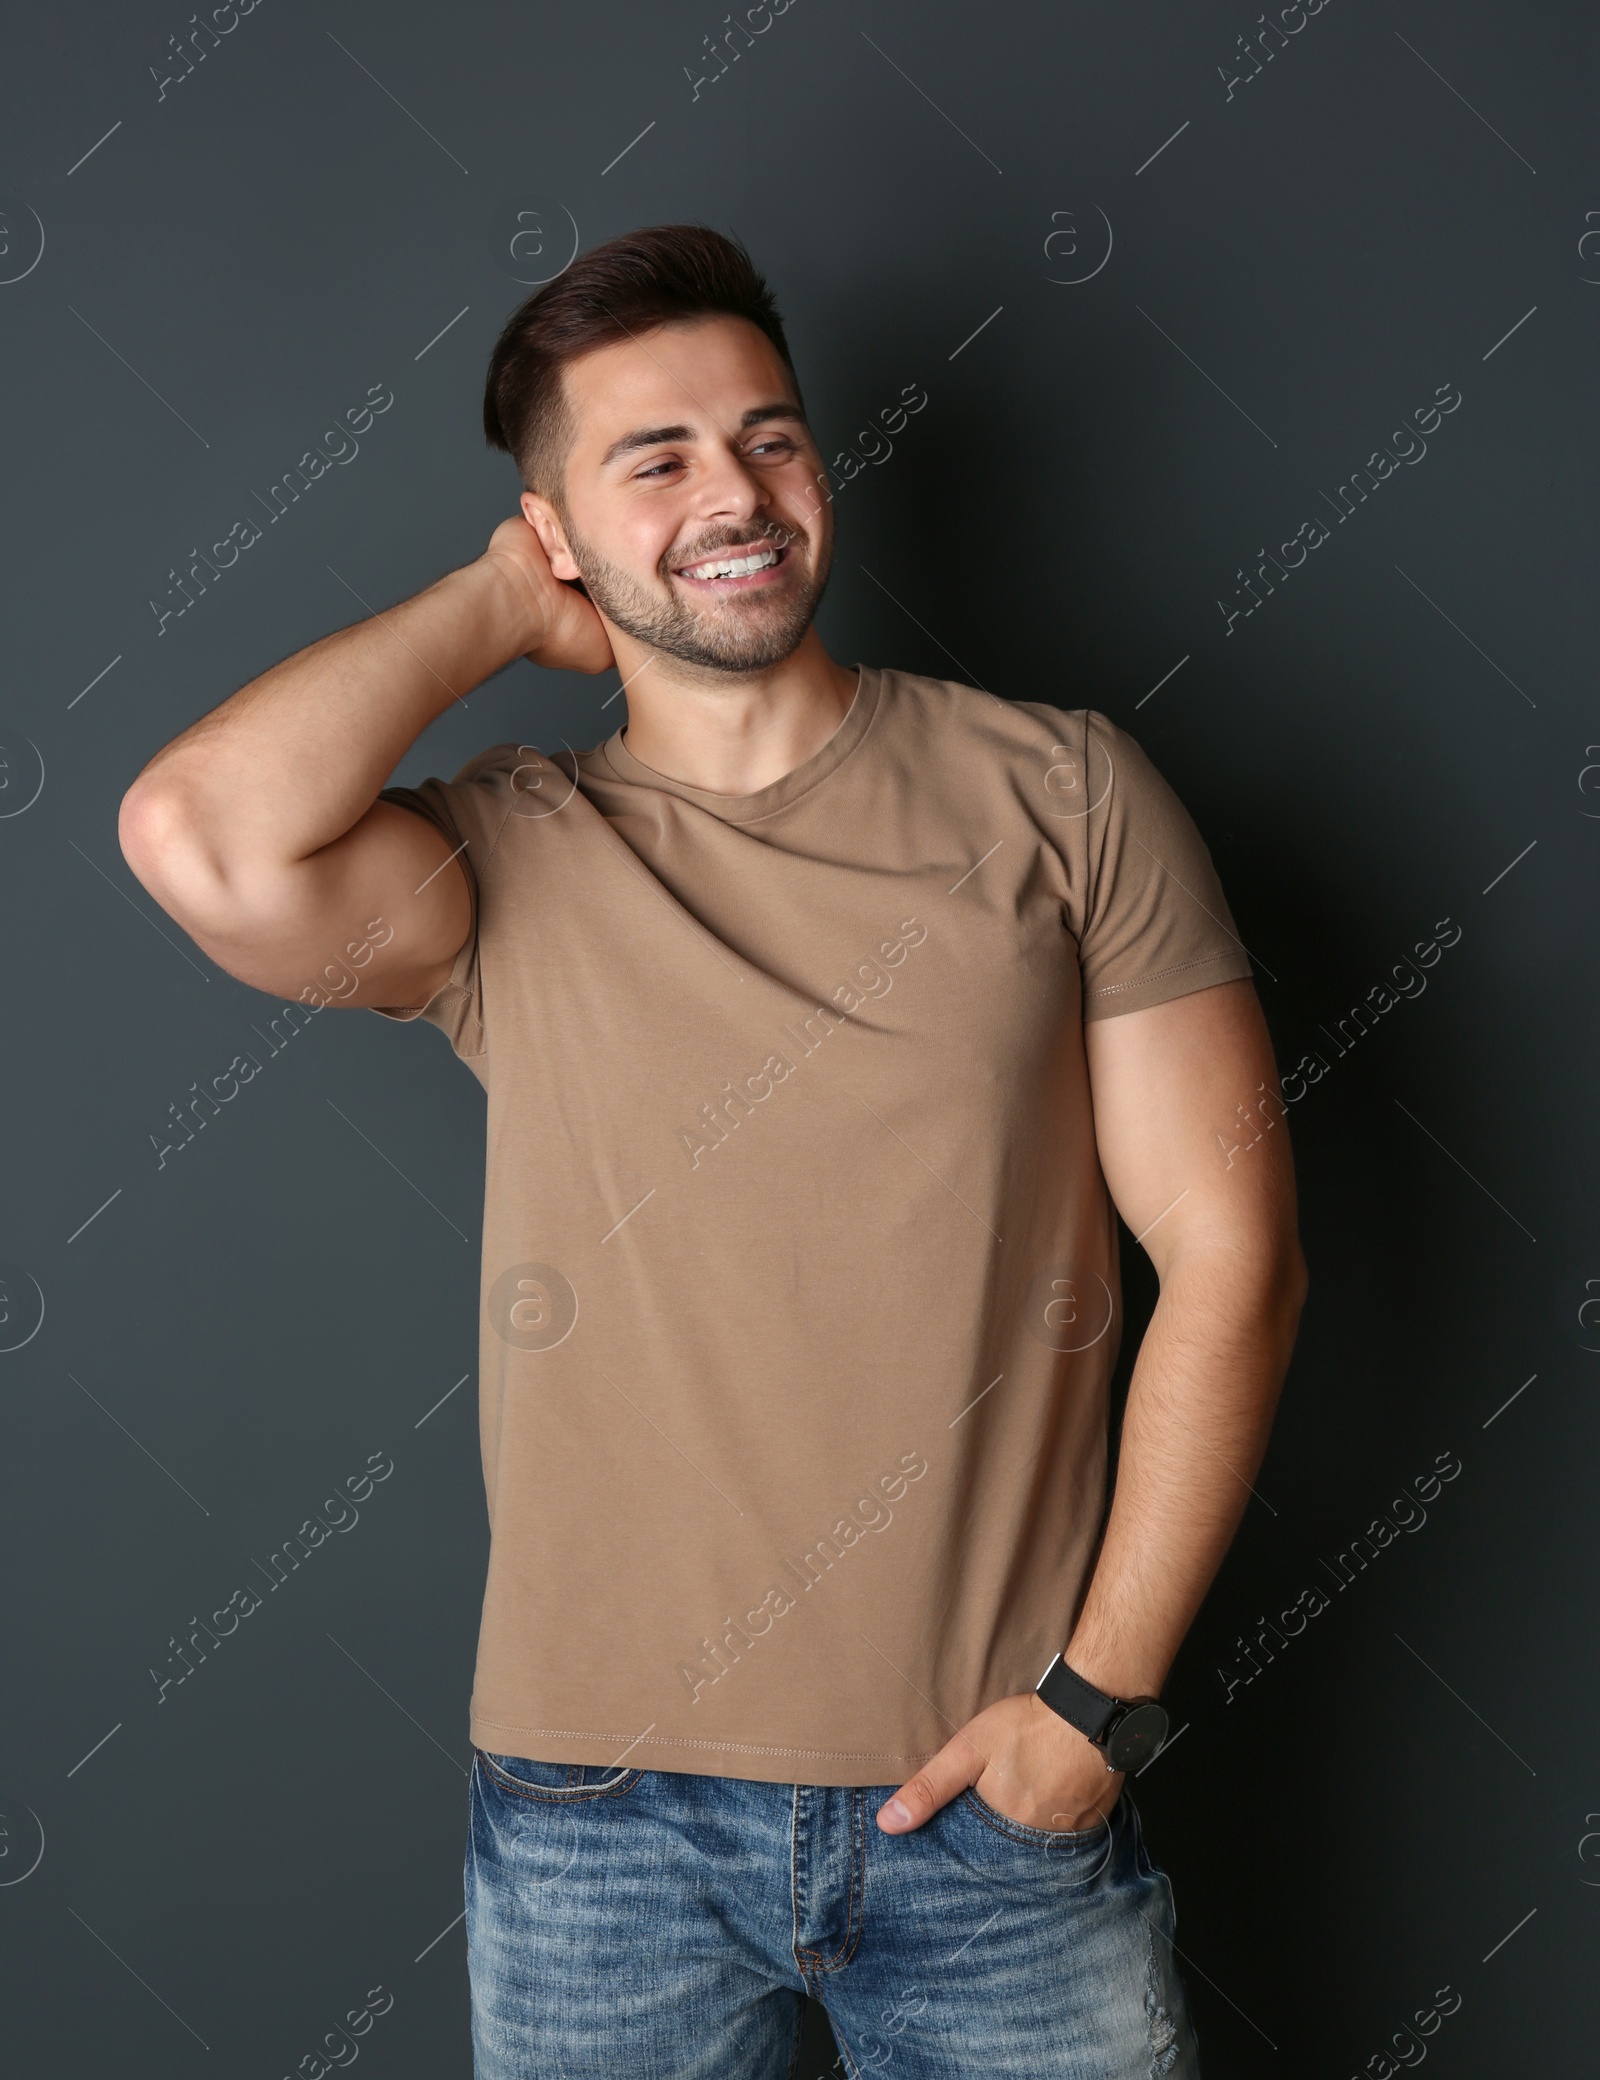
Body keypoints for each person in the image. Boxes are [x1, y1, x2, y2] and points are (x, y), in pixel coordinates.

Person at [119, 224, 1307, 2078]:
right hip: (601, 1839)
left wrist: (1102, 1705)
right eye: (652, 459)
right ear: (557, 529)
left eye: (769, 437)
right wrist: (499, 609)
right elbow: (202, 837)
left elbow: (1234, 1253)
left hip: (994, 1812)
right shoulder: (504, 858)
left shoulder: (1062, 791)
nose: (733, 494)